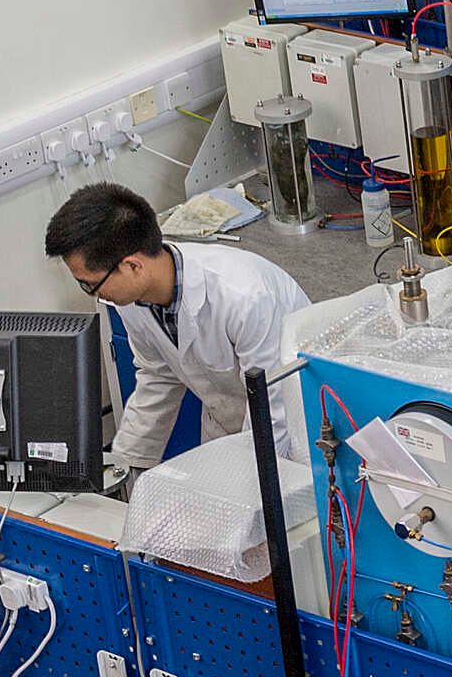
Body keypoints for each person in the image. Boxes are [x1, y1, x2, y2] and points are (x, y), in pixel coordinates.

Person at [43, 182, 312, 476]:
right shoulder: (134, 298)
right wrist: (123, 465)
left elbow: (274, 412)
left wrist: (241, 484)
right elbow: (158, 375)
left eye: (90, 284)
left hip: (297, 439)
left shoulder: (246, 297)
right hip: (229, 430)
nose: (92, 294)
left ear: (132, 266)